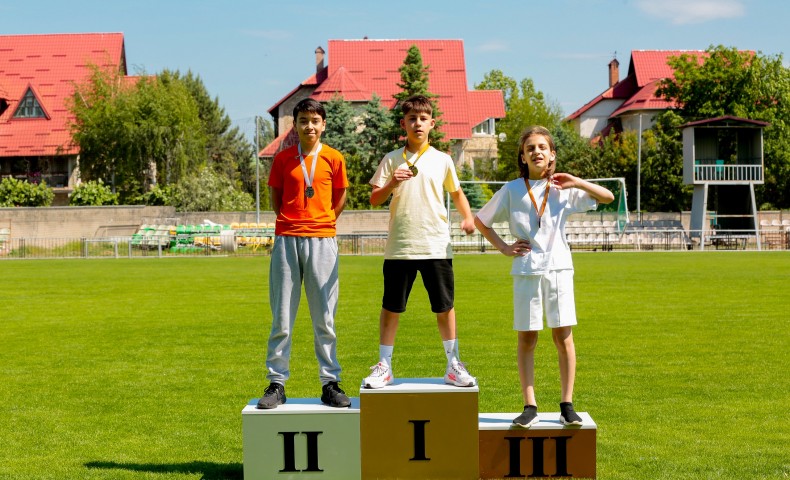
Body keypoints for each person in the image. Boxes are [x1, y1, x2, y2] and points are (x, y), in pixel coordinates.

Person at [474, 125, 614, 427]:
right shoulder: (512, 189)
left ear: (552, 154)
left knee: (563, 337)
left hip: (560, 269)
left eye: (542, 147)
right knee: (527, 338)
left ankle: (567, 404)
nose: (536, 152)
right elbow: (481, 220)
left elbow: (608, 196)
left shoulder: (565, 189)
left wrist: (576, 180)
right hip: (526, 271)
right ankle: (530, 405)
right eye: (530, 149)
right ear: (523, 157)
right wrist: (504, 248)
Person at [362, 94, 477, 389]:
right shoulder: (390, 159)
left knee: (444, 307)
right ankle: (384, 366)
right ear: (404, 124)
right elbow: (375, 198)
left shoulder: (443, 160)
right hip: (400, 247)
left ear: (432, 124)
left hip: (436, 245)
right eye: (412, 119)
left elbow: (457, 194)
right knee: (391, 308)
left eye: (423, 119)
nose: (417, 123)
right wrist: (392, 182)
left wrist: (467, 217)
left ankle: (453, 364)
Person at [257, 98, 351, 409]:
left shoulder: (334, 159)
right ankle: (276, 383)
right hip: (287, 239)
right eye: (302, 121)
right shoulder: (283, 159)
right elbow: (276, 199)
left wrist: (322, 223)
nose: (309, 126)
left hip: (322, 240)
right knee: (282, 316)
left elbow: (339, 199)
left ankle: (329, 381)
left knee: (325, 316)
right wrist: (293, 222)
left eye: (314, 120)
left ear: (323, 125)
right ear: (295, 125)